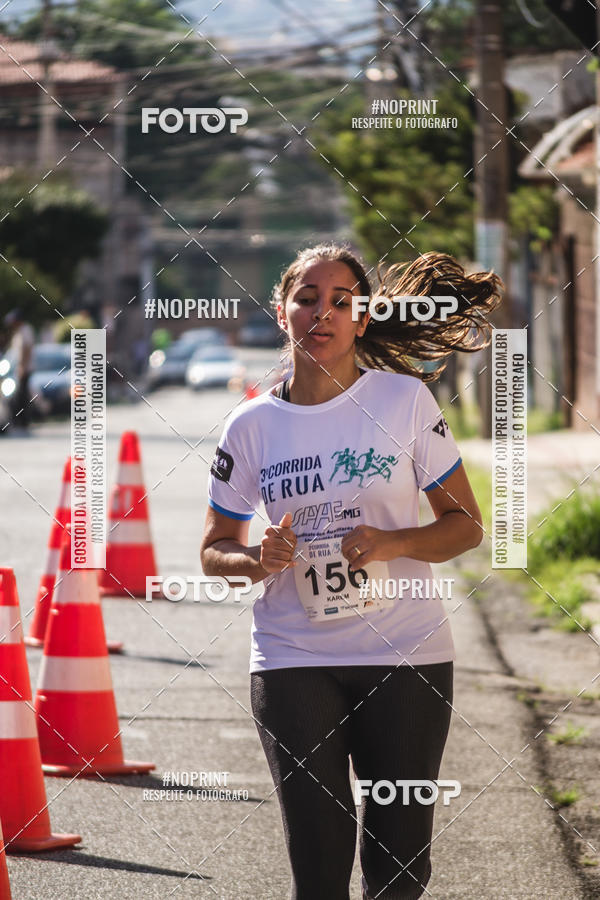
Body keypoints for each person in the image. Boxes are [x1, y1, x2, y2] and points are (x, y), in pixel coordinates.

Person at [200, 243, 502, 899]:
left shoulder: (405, 402)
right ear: (282, 312)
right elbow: (214, 549)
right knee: (319, 863)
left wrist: (392, 542)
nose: (322, 313)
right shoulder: (249, 425)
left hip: (408, 656)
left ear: (362, 319)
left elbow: (465, 525)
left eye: (341, 301)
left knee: (398, 871)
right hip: (291, 654)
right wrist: (258, 558)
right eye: (307, 298)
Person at [3, 309, 35, 429]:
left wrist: (22, 367)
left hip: (24, 369)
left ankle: (23, 421)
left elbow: (26, 350)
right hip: (19, 368)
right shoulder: (20, 331)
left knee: (21, 396)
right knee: (19, 395)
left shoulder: (25, 330)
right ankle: (20, 420)